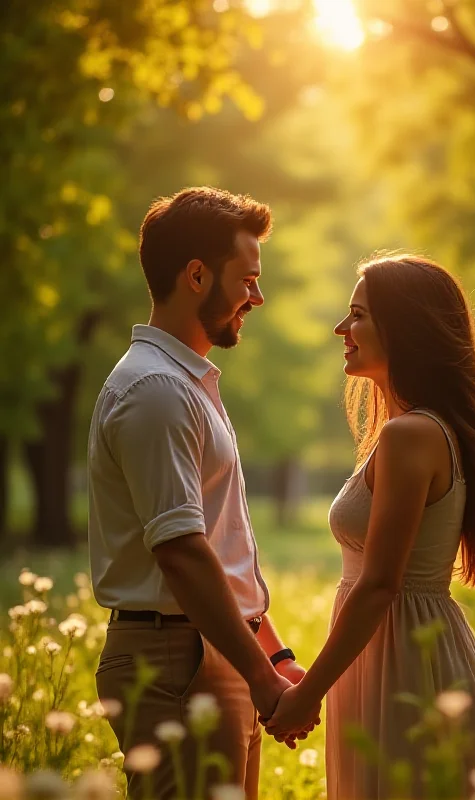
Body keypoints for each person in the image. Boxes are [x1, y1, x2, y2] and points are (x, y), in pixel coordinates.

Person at [88, 187, 319, 800]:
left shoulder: (183, 385)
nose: (257, 297)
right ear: (196, 275)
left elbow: (217, 544)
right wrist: (265, 683)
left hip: (209, 651)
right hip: (174, 661)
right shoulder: (156, 391)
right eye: (247, 279)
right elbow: (183, 553)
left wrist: (271, 656)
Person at [264, 254, 475, 799]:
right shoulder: (411, 431)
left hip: (407, 662)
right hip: (387, 655)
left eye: (357, 314)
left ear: (404, 327)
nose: (342, 329)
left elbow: (381, 583)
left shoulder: (411, 435)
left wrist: (307, 694)